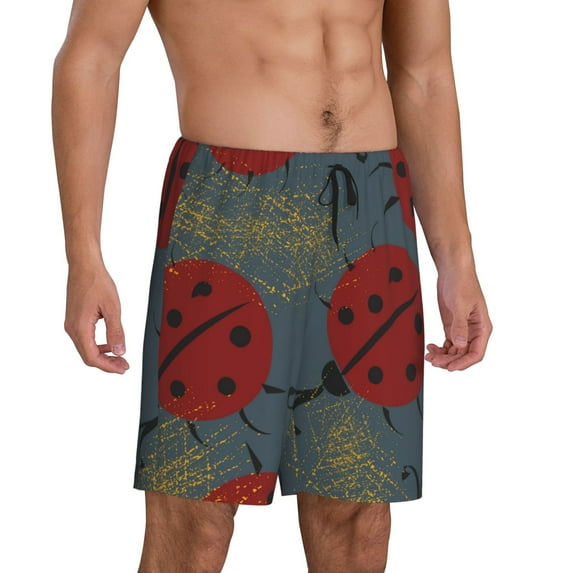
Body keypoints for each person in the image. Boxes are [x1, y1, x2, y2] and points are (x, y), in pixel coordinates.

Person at [52, 0, 492, 570]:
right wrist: (83, 256)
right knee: (196, 512)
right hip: (230, 201)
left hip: (371, 207)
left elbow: (423, 74)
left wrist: (457, 259)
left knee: (357, 515)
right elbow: (90, 59)